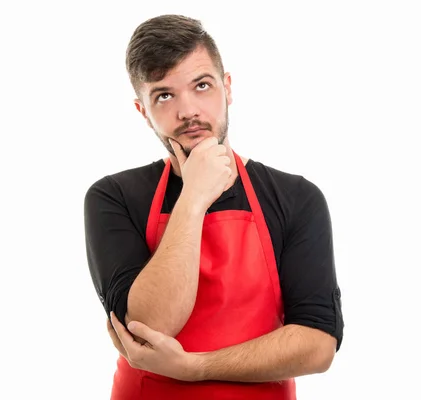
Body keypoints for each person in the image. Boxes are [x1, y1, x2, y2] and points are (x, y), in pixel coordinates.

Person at [83, 14, 344, 399]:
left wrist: (195, 367)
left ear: (228, 88)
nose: (188, 110)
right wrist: (193, 197)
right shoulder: (113, 196)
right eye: (164, 95)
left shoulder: (296, 198)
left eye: (201, 85)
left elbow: (318, 346)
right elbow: (148, 325)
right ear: (143, 111)